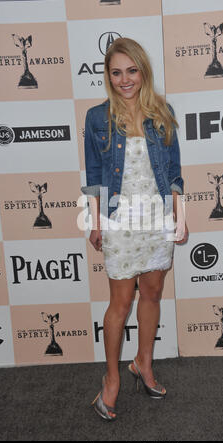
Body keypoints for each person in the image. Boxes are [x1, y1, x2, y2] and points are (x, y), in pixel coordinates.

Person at [81, 37, 188, 421]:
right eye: (116, 72)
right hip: (120, 218)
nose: (125, 79)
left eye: (131, 70)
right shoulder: (97, 117)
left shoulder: (162, 112)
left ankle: (143, 362)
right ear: (108, 76)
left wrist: (180, 215)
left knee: (154, 292)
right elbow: (93, 175)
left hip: (157, 217)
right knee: (120, 303)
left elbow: (174, 173)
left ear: (142, 71)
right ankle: (111, 378)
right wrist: (94, 221)